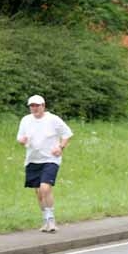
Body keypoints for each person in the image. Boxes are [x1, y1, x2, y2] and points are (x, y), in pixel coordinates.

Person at [17, 95, 73, 233]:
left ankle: (51, 220)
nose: (34, 108)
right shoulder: (26, 120)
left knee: (45, 188)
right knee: (38, 192)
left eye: (37, 105)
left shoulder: (53, 119)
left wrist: (60, 147)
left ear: (43, 106)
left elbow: (67, 134)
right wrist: (22, 141)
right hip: (32, 159)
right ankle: (45, 220)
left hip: (50, 158)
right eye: (32, 106)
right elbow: (20, 137)